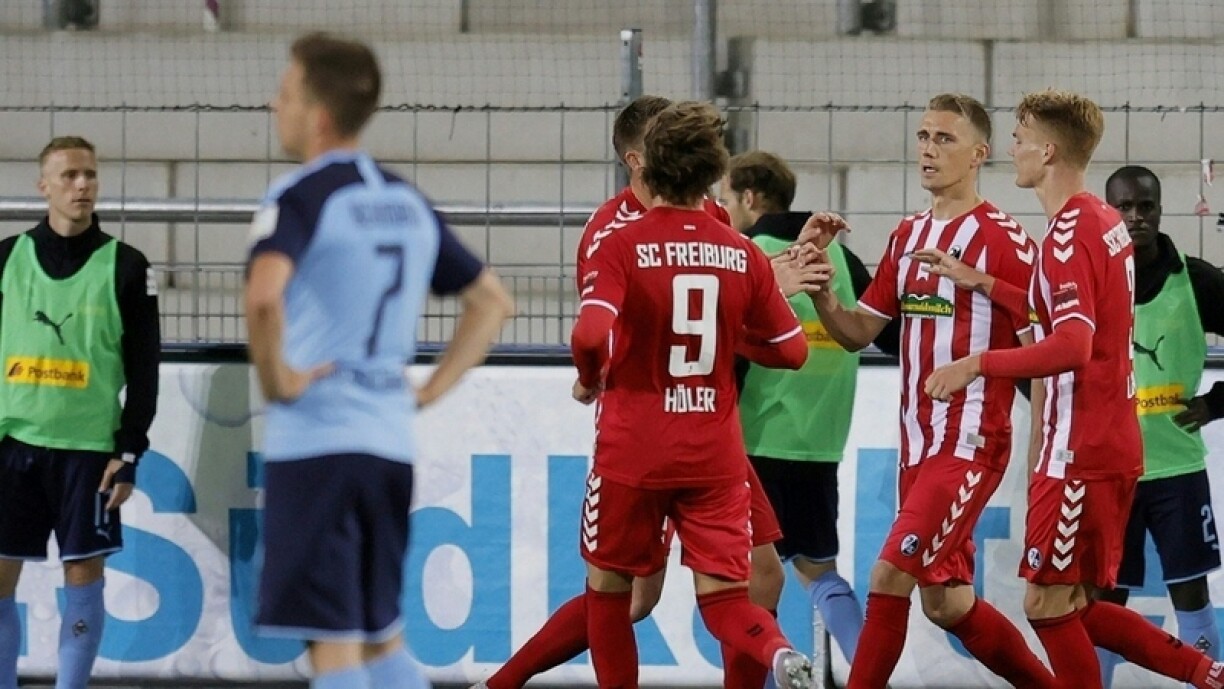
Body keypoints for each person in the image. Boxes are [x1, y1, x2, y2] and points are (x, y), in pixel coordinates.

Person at [479, 95, 807, 689]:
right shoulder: (614, 230)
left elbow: (598, 331)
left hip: (652, 436)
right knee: (645, 597)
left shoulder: (683, 225)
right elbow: (770, 338)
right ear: (641, 158)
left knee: (758, 574)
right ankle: (503, 682)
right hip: (701, 432)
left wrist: (588, 375)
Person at [925, 89, 1223, 689]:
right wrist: (985, 282)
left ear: (1048, 151)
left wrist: (977, 364)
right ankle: (1206, 670)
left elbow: (1071, 344)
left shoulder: (1066, 236)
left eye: (1019, 138)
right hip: (1110, 444)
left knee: (1045, 605)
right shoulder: (1102, 223)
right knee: (1077, 605)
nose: (1011, 149)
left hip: (1078, 452)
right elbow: (1063, 310)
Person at [245, 32, 514, 689]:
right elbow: (492, 301)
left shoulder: (302, 196)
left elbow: (262, 299)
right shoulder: (405, 201)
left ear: (319, 116)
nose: (275, 105)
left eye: (285, 93)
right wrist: (428, 391)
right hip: (388, 445)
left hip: (318, 443)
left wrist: (279, 380)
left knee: (332, 646)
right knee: (379, 634)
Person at [802, 93, 1056, 689]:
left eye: (944, 139)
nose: (928, 150)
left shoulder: (1005, 241)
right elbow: (858, 332)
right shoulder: (908, 235)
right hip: (917, 448)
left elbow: (1044, 353)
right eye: (922, 137)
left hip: (969, 443)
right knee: (946, 603)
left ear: (979, 154)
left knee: (888, 575)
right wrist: (822, 294)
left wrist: (1040, 453)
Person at [718, 149, 900, 667]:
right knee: (818, 570)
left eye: (726, 198)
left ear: (749, 198)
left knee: (754, 580)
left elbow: (728, 354)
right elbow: (889, 336)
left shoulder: (748, 254)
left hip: (756, 440)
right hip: (821, 443)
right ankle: (868, 674)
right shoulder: (839, 258)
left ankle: (764, 677)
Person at [0, 135, 160, 689]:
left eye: (89, 174)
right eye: (69, 175)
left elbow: (145, 370)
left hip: (89, 452)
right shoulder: (6, 258)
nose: (82, 185)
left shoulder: (127, 266)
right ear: (43, 186)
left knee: (84, 581)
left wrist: (129, 450)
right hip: (13, 447)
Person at [1094, 165, 1224, 687]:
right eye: (1123, 207)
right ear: (1108, 213)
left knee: (1191, 593)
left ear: (1160, 209)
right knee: (1105, 599)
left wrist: (1218, 402)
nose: (1135, 217)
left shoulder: (1195, 279)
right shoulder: (1091, 278)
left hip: (1176, 469)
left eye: (1145, 206)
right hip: (1109, 472)